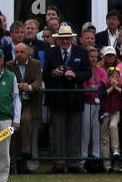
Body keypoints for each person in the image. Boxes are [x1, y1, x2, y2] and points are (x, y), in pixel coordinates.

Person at [43, 24, 90, 172]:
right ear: (57, 40)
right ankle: (58, 163)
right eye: (62, 39)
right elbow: (45, 74)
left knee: (75, 132)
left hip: (75, 97)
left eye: (67, 39)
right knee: (58, 132)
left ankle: (74, 164)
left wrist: (75, 75)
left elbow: (87, 73)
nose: (64, 42)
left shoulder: (81, 52)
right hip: (57, 98)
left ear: (71, 39)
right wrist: (53, 73)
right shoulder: (51, 53)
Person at [0, 46, 21, 182]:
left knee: (3, 152)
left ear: (2, 60)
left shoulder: (10, 76)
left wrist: (16, 120)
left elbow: (16, 98)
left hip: (4, 121)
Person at [9, 43, 42, 173]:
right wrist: (18, 86)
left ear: (28, 53)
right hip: (14, 102)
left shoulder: (36, 64)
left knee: (25, 120)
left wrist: (28, 87)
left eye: (22, 52)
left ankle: (26, 152)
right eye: (17, 52)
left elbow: (38, 81)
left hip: (29, 102)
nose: (19, 55)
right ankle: (14, 162)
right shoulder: (9, 65)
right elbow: (9, 80)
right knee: (12, 131)